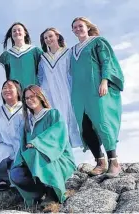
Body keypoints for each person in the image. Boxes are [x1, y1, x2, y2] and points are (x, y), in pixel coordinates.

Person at [70, 17, 124, 177]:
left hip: (96, 88)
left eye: (80, 26)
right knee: (85, 127)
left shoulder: (98, 42)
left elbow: (107, 61)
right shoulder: (73, 50)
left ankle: (114, 162)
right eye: (75, 27)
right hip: (78, 93)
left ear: (87, 27)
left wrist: (105, 81)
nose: (78, 29)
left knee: (103, 123)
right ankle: (100, 161)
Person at [10, 85, 76, 206]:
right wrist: (19, 163)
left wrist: (36, 143)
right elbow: (22, 147)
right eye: (26, 98)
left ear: (40, 97)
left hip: (57, 159)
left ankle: (53, 192)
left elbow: (57, 135)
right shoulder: (27, 122)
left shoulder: (52, 114)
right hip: (33, 161)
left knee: (36, 152)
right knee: (16, 173)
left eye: (33, 96)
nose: (29, 100)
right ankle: (38, 194)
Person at [38, 27, 82, 148]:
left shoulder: (68, 53)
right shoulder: (43, 58)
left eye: (50, 36)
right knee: (55, 124)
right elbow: (41, 78)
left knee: (71, 122)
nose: (48, 39)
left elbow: (74, 73)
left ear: (57, 36)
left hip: (67, 92)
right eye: (45, 38)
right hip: (50, 95)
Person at [0, 80, 23, 190]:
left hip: (22, 145)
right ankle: (2, 180)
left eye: (10, 87)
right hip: (6, 145)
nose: (7, 90)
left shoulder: (25, 109)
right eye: (4, 88)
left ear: (18, 91)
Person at [0, 22, 43, 88]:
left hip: (33, 93)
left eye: (19, 30)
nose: (17, 32)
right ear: (11, 35)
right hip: (14, 95)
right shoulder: (5, 56)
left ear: (25, 33)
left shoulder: (35, 51)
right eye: (14, 31)